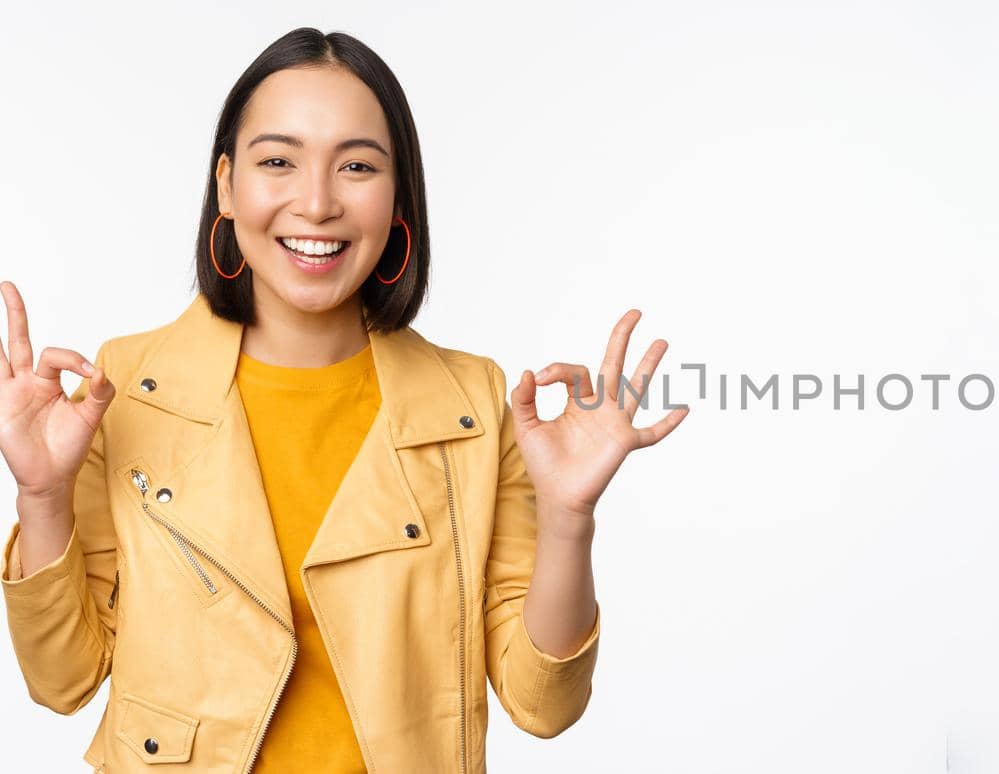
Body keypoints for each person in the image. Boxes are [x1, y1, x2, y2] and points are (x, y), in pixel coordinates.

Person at [0, 27, 687, 773]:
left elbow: (542, 704)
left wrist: (567, 517)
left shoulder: (473, 402)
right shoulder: (127, 386)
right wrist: (41, 494)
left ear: (398, 198)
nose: (318, 202)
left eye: (357, 165)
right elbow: (62, 681)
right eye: (278, 162)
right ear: (227, 186)